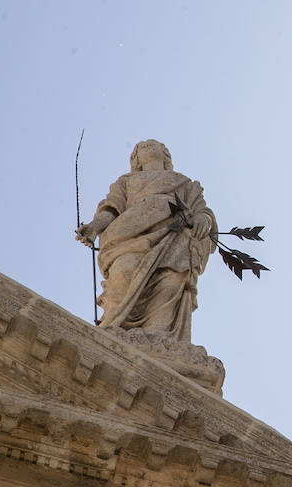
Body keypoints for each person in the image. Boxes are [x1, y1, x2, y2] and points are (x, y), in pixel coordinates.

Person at [76, 140, 216, 340]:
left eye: (154, 144)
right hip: (129, 237)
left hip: (174, 237)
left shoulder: (184, 182)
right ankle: (114, 328)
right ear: (136, 158)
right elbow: (111, 209)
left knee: (171, 281)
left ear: (165, 154)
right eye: (143, 146)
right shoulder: (125, 182)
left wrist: (204, 219)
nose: (148, 146)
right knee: (124, 273)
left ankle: (160, 339)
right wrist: (94, 227)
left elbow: (201, 210)